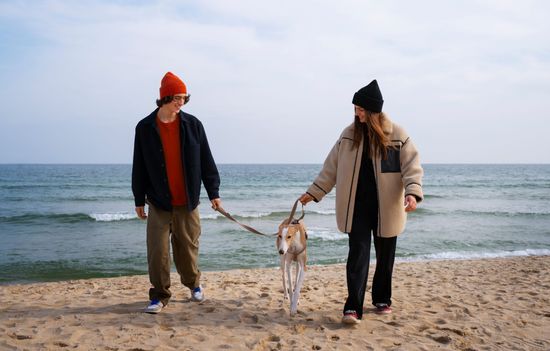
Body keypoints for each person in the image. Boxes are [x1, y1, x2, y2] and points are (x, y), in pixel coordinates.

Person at [299, 79, 423, 324]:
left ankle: (382, 299)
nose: (357, 113)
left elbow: (411, 166)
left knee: (385, 256)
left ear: (373, 111)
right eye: (355, 108)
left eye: (361, 109)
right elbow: (331, 168)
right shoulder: (348, 135)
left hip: (387, 207)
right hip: (355, 206)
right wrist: (314, 192)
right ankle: (353, 307)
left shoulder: (397, 135)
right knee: (358, 254)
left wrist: (412, 191)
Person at [132, 71, 222, 314]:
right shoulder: (144, 128)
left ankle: (193, 285)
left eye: (184, 98)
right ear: (165, 97)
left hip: (188, 201)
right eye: (177, 97)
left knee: (187, 249)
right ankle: (159, 296)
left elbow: (206, 161)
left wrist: (213, 192)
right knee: (158, 252)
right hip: (159, 202)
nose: (181, 102)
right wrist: (138, 198)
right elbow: (138, 165)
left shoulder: (194, 125)